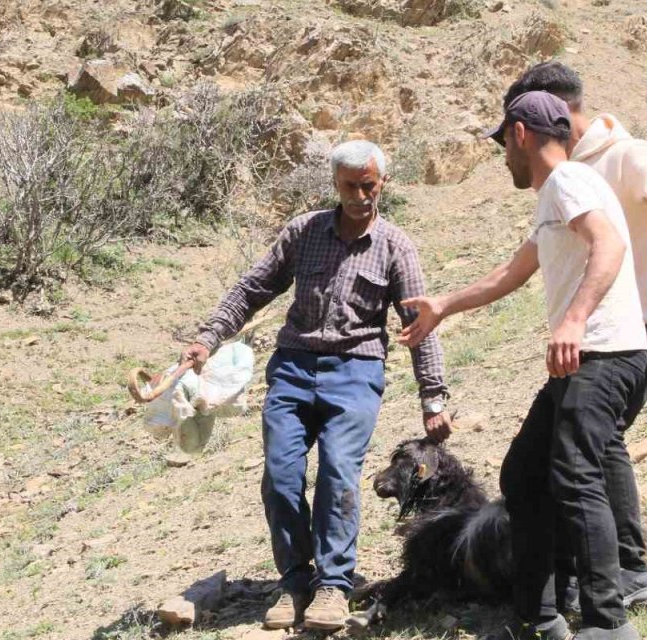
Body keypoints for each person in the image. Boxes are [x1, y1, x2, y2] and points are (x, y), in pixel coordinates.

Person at [400, 91, 647, 639]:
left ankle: (608, 623)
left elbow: (608, 245)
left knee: (576, 477)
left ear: (520, 134)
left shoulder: (568, 181)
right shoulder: (558, 194)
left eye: (504, 145)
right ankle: (539, 612)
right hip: (583, 359)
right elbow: (512, 272)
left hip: (602, 353)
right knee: (523, 474)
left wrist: (574, 320)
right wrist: (443, 305)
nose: (504, 158)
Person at [181, 140, 453, 631]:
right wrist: (208, 337)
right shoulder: (303, 232)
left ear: (383, 183)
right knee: (281, 475)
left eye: (368, 185)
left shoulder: (395, 246)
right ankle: (294, 582)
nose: (360, 196)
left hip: (356, 371)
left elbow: (419, 325)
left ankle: (333, 584)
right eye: (350, 186)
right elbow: (252, 288)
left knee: (337, 472)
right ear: (335, 184)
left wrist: (432, 397)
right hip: (293, 367)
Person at [504, 61, 647, 610]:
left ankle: (619, 575)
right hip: (601, 329)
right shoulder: (567, 173)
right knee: (591, 444)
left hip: (642, 326)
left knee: (586, 447)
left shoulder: (625, 156)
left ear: (553, 110)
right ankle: (602, 572)